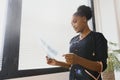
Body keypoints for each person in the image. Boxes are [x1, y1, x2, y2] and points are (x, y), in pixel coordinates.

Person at [46, 5, 108, 80]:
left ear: (84, 19)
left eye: (75, 22)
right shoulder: (73, 40)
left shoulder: (97, 37)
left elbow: (101, 67)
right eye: (71, 24)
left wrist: (78, 59)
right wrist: (56, 62)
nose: (73, 26)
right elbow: (72, 65)